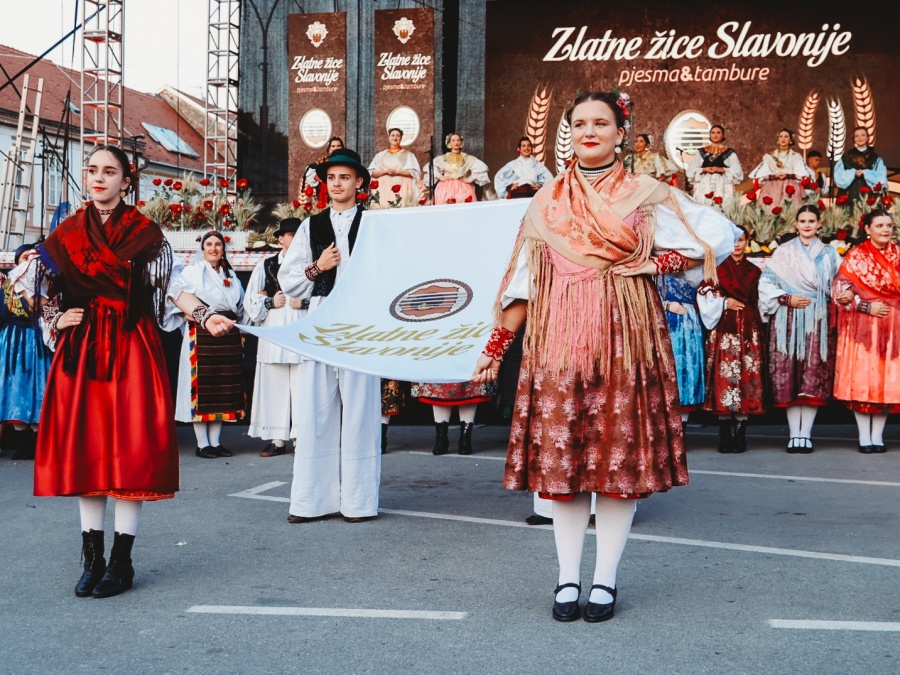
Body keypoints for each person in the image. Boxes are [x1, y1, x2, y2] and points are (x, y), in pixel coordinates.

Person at [472, 90, 737, 623]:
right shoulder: (544, 200)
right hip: (557, 346)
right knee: (564, 469)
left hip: (628, 343)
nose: (589, 131)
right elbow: (521, 287)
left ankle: (605, 580)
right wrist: (496, 349)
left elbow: (718, 235)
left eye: (602, 122)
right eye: (579, 123)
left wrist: (655, 261)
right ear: (568, 132)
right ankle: (567, 579)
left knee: (619, 468)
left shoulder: (647, 193)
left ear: (621, 132)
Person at [32, 145, 234, 598]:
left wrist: (204, 316)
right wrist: (54, 317)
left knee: (128, 449)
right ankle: (92, 559)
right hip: (83, 349)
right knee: (89, 450)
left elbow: (171, 288)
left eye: (110, 171)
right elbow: (38, 285)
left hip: (129, 345)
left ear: (128, 180)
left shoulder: (146, 233)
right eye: (92, 170)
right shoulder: (66, 233)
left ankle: (121, 563)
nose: (99, 178)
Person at [278, 148, 382, 523]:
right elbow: (287, 279)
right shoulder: (311, 225)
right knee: (315, 409)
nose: (337, 183)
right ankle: (311, 501)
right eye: (331, 178)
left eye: (344, 177)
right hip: (322, 319)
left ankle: (358, 501)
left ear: (359, 183)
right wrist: (316, 268)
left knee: (360, 411)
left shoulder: (374, 224)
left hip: (360, 323)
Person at [414, 132, 496, 454]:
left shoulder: (476, 247)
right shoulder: (432, 246)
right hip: (441, 320)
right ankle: (440, 436)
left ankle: (465, 435)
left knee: (467, 378)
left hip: (468, 321)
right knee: (440, 378)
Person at [758, 205, 841, 453]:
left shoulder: (829, 253)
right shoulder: (783, 252)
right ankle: (794, 434)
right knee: (791, 373)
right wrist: (786, 298)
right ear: (796, 224)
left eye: (812, 221)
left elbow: (839, 284)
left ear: (819, 224)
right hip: (788, 318)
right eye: (802, 220)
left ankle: (807, 434)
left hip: (818, 318)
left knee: (812, 376)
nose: (807, 225)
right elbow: (766, 283)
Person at [168, 230, 247, 459]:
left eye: (218, 244)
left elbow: (239, 306)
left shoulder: (230, 275)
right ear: (202, 249)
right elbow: (178, 297)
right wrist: (188, 314)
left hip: (228, 335)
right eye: (209, 244)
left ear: (224, 249)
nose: (213, 248)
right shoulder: (192, 272)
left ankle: (216, 441)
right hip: (201, 335)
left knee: (223, 388)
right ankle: (202, 444)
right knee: (203, 387)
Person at [832, 209, 900, 454]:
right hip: (864, 325)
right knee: (864, 378)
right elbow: (840, 287)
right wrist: (864, 305)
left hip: (894, 327)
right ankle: (864, 437)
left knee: (886, 380)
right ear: (867, 229)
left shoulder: (898, 254)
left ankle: (878, 437)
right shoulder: (856, 255)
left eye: (889, 225)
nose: (885, 229)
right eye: (880, 225)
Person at [699, 227, 766, 453]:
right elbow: (704, 294)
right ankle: (724, 431)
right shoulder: (717, 269)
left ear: (748, 242)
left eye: (741, 240)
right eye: (733, 240)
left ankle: (740, 431)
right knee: (725, 377)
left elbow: (760, 301)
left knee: (746, 377)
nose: (737, 244)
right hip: (724, 328)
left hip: (748, 329)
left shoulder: (754, 270)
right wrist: (724, 302)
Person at [244, 217, 306, 457]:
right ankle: (277, 438)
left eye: (298, 234)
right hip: (274, 330)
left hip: (300, 330)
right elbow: (251, 299)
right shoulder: (267, 265)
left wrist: (304, 301)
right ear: (280, 239)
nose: (294, 239)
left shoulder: (310, 265)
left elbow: (324, 298)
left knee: (303, 387)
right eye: (290, 235)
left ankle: (302, 437)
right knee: (274, 385)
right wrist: (271, 300)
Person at [0, 244, 51, 460]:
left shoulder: (45, 284)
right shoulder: (9, 284)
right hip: (12, 340)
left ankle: (37, 441)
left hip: (36, 338)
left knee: (37, 386)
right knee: (14, 388)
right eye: (23, 257)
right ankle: (22, 441)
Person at [658, 274, 705, 425]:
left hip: (688, 323)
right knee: (663, 372)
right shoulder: (654, 265)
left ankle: (681, 430)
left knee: (685, 373)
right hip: (661, 321)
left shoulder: (693, 264)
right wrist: (665, 304)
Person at [749, 128, 814, 214]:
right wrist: (774, 175)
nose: (783, 139)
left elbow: (802, 174)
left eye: (786, 137)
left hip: (791, 187)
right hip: (772, 188)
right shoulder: (769, 157)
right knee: (770, 212)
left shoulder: (796, 156)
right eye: (781, 137)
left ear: (790, 140)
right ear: (778, 139)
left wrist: (788, 175)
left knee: (791, 212)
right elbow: (759, 175)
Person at [422, 132, 492, 204]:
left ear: (461, 143)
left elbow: (481, 167)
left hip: (463, 186)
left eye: (458, 140)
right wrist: (440, 177)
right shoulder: (443, 158)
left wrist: (469, 179)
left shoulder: (467, 157)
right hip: (445, 187)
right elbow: (430, 167)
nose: (456, 142)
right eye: (453, 140)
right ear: (449, 143)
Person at [686, 124, 743, 206]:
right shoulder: (701, 152)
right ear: (710, 135)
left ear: (723, 135)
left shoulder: (730, 153)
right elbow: (691, 170)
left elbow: (738, 171)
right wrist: (704, 169)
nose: (715, 135)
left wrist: (721, 169)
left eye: (718, 133)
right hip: (705, 184)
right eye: (713, 133)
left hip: (722, 185)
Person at [368, 128, 421, 208]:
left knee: (401, 206)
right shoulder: (380, 155)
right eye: (392, 135)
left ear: (401, 138)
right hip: (384, 187)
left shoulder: (408, 155)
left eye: (398, 136)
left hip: (402, 186)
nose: (395, 138)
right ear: (389, 138)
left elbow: (413, 172)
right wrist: (385, 172)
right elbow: (372, 172)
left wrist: (397, 172)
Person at [834, 127, 888, 205]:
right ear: (854, 139)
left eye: (863, 135)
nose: (860, 138)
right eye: (856, 136)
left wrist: (866, 173)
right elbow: (838, 175)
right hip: (850, 193)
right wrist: (853, 173)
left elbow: (882, 176)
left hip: (869, 194)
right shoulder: (846, 156)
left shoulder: (875, 158)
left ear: (867, 138)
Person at [303, 136, 344, 204]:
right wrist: (315, 176)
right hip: (325, 198)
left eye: (338, 146)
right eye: (333, 146)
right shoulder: (321, 162)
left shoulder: (348, 162)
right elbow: (311, 173)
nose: (336, 148)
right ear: (328, 150)